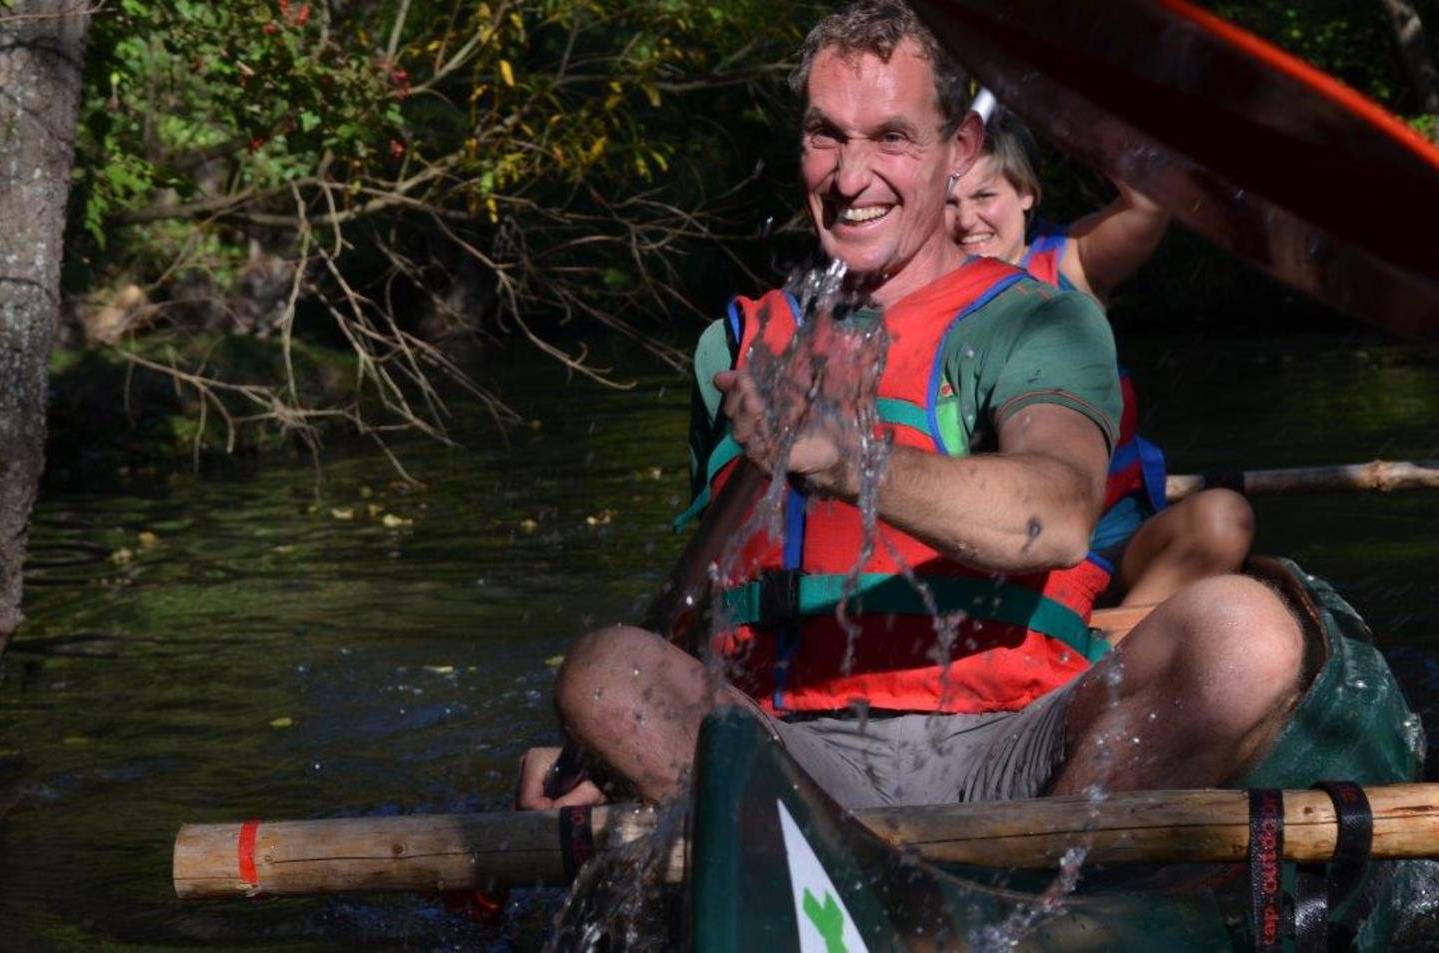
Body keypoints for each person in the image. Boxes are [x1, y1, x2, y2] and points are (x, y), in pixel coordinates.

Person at [516, 0, 1302, 813]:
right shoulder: (732, 347)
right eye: (826, 136)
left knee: (1248, 634)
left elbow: (1065, 514)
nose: (850, 178)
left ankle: (1042, 877)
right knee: (606, 672)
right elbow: (711, 600)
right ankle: (805, 850)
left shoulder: (1039, 319)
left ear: (958, 147)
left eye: (891, 137)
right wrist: (605, 754)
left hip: (1013, 743)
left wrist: (848, 461)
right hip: (784, 750)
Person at [949, 112, 1254, 611]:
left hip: (1110, 544)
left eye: (984, 196)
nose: (966, 221)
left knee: (1223, 519)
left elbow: (1148, 203)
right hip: (990, 557)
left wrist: (1065, 110)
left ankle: (1111, 644)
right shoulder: (917, 287)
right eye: (949, 202)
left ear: (1026, 193)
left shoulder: (1072, 261)